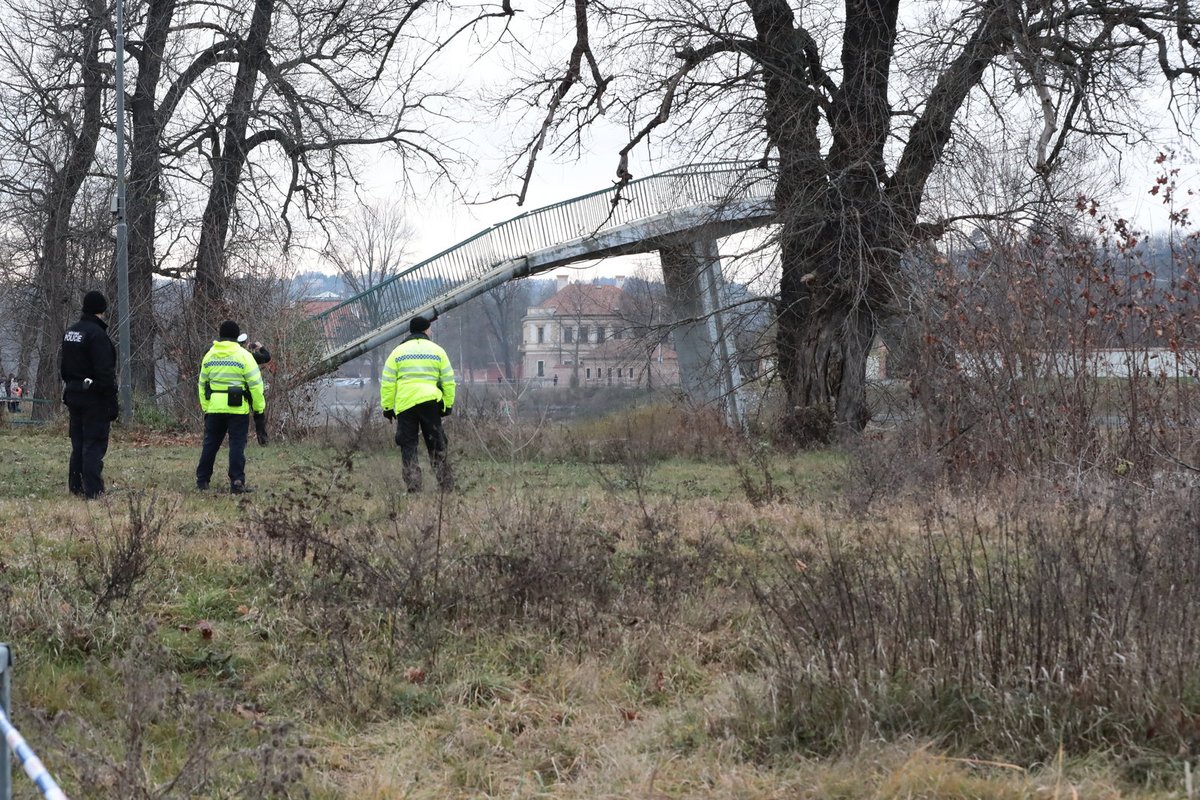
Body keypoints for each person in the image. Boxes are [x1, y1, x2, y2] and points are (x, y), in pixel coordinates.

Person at [380, 314, 455, 493]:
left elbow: (388, 382)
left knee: (408, 445)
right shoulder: (437, 351)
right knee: (437, 443)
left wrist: (388, 407)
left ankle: (414, 487)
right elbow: (448, 380)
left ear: (411, 331)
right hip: (431, 403)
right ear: (426, 330)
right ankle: (445, 486)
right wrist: (447, 404)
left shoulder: (397, 352)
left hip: (406, 404)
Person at [196, 320, 266, 494]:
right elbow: (256, 386)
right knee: (236, 446)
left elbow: (202, 384)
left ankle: (202, 480)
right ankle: (236, 482)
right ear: (237, 336)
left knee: (210, 444)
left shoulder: (210, 355)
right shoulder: (244, 356)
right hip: (237, 409)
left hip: (214, 408)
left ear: (220, 335)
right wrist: (259, 410)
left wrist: (206, 407)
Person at [60, 290, 119, 499]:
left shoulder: (71, 332)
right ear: (101, 310)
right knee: (93, 443)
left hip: (73, 393)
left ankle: (76, 486)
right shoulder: (97, 335)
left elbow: (63, 368)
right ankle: (93, 490)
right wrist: (111, 401)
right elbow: (105, 372)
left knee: (78, 442)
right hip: (94, 398)